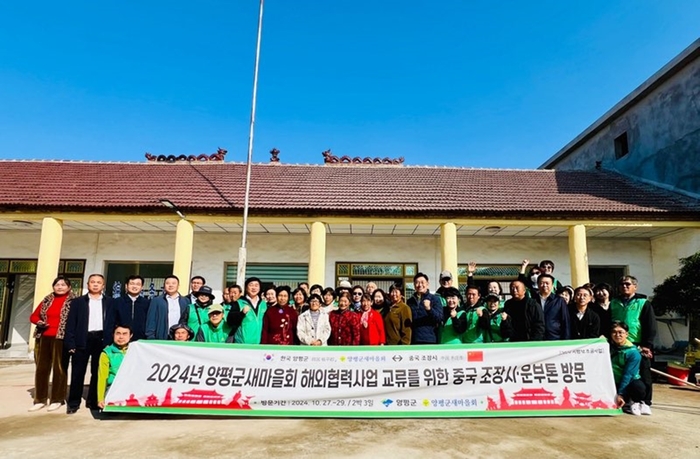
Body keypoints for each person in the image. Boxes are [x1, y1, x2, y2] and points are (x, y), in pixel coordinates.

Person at [65, 274, 113, 414]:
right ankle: (73, 403)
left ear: (103, 285)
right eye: (93, 282)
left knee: (97, 372)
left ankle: (93, 401)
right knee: (77, 372)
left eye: (99, 282)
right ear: (88, 284)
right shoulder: (78, 302)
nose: (95, 284)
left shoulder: (110, 302)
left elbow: (111, 322)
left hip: (101, 339)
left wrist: (109, 341)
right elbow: (71, 324)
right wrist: (71, 342)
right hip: (82, 338)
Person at [28, 276, 77, 412]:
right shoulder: (47, 299)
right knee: (41, 369)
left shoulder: (74, 301)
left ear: (69, 287)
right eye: (57, 285)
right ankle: (40, 399)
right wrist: (39, 322)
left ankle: (57, 399)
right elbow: (34, 316)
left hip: (61, 338)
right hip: (44, 337)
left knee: (59, 369)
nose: (60, 287)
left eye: (63, 285)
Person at [610, 275, 657, 413]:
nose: (625, 286)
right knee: (621, 372)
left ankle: (645, 401)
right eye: (622, 284)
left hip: (638, 344)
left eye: (628, 284)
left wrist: (647, 345)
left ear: (635, 287)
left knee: (644, 373)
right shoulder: (613, 302)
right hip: (617, 343)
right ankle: (627, 399)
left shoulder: (643, 302)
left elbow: (650, 325)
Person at [610, 321, 648, 416]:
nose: (617, 335)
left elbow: (628, 375)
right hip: (612, 381)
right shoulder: (607, 347)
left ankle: (635, 401)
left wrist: (620, 394)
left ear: (626, 334)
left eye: (620, 332)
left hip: (627, 382)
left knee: (638, 387)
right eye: (614, 332)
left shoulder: (633, 353)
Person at [96, 324, 132, 410]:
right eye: (118, 333)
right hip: (114, 387)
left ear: (130, 336)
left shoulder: (135, 350)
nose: (121, 337)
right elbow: (102, 377)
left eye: (124, 334)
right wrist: (100, 399)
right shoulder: (106, 353)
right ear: (113, 335)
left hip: (131, 386)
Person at [145, 275, 190, 340]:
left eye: (173, 283)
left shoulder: (186, 301)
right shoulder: (157, 301)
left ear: (178, 286)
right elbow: (151, 319)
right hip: (162, 336)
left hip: (179, 337)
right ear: (164, 286)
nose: (170, 285)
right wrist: (150, 336)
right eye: (167, 283)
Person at [108, 275, 149, 341]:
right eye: (132, 284)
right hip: (121, 340)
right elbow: (110, 322)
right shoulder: (117, 302)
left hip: (141, 340)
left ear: (142, 287)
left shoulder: (147, 303)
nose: (135, 286)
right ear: (126, 286)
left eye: (138, 284)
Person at [227, 277, 267, 344]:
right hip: (242, 344)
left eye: (256, 285)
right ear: (246, 287)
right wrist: (241, 313)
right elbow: (230, 322)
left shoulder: (264, 304)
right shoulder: (238, 303)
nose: (254, 288)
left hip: (259, 344)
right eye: (251, 285)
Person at [407, 273, 443, 344]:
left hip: (430, 339)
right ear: (414, 285)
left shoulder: (435, 299)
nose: (420, 285)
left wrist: (429, 309)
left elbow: (439, 318)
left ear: (427, 284)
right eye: (417, 283)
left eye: (422, 282)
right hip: (414, 340)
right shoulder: (410, 301)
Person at [537, 274, 571, 340]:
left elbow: (565, 321)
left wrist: (566, 339)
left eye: (547, 283)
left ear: (552, 285)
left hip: (555, 337)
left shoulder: (559, 300)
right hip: (537, 338)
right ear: (538, 285)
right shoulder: (533, 300)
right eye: (542, 283)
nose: (544, 285)